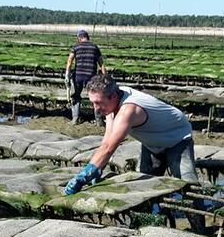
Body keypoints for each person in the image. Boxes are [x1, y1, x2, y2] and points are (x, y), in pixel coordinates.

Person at [64, 74, 199, 193]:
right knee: (144, 188)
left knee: (188, 186)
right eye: (93, 103)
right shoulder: (111, 104)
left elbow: (109, 148)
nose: (96, 109)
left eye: (99, 103)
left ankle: (198, 221)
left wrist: (84, 176)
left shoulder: (128, 110)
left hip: (176, 139)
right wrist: (99, 167)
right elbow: (107, 141)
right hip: (151, 142)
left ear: (113, 96)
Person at [64, 29, 106, 124]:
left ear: (79, 38)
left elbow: (70, 61)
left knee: (75, 96)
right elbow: (101, 64)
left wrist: (67, 75)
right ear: (87, 37)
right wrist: (104, 77)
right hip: (91, 77)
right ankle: (99, 120)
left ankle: (75, 119)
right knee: (95, 98)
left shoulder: (76, 47)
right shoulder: (95, 47)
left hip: (78, 76)